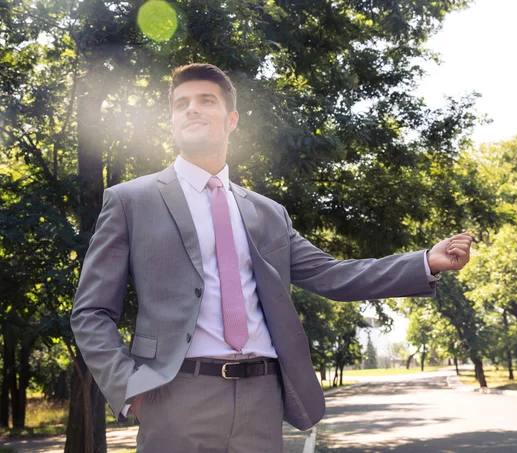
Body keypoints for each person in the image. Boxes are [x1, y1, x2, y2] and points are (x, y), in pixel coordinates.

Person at [70, 63, 472, 453]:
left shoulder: (268, 212)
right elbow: (90, 311)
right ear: (172, 122)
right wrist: (132, 392)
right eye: (181, 104)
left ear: (231, 120)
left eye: (207, 100)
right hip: (174, 397)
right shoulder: (130, 200)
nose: (192, 108)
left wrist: (425, 262)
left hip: (261, 398)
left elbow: (333, 275)